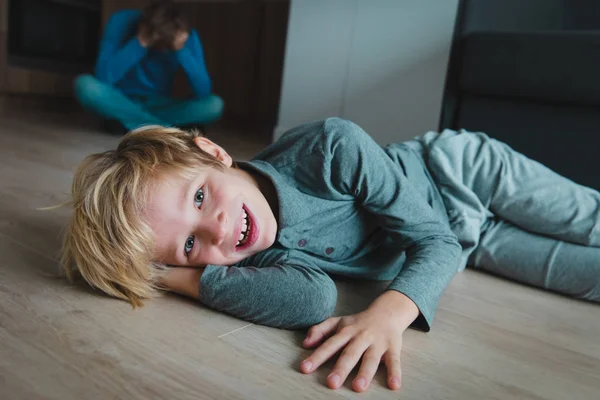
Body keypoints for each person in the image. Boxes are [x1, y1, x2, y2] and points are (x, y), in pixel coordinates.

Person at [61, 118, 600, 393]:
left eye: (199, 197)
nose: (218, 228)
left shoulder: (330, 148)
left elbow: (432, 240)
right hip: (468, 244)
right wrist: (177, 279)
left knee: (591, 222)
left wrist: (389, 312)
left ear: (212, 152)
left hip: (461, 176)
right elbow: (311, 297)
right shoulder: (237, 257)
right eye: (188, 245)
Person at [73, 0, 223, 132]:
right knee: (85, 84)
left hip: (159, 105)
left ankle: (133, 123)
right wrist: (140, 43)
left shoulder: (186, 35)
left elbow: (203, 92)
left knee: (214, 105)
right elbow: (103, 77)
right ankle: (160, 128)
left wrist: (181, 50)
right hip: (120, 99)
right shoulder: (121, 20)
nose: (160, 50)